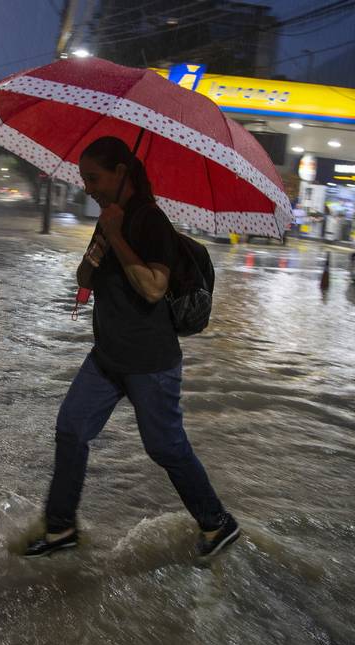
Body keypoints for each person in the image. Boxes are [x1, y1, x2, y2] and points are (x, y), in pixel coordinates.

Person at [24, 136, 240, 560]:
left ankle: (217, 524)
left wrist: (118, 236)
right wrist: (102, 240)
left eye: (94, 177)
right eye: (83, 177)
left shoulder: (151, 221)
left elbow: (153, 288)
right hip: (108, 355)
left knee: (165, 447)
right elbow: (84, 279)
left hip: (150, 361)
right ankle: (61, 528)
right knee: (71, 427)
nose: (87, 185)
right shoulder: (109, 217)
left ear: (120, 173)